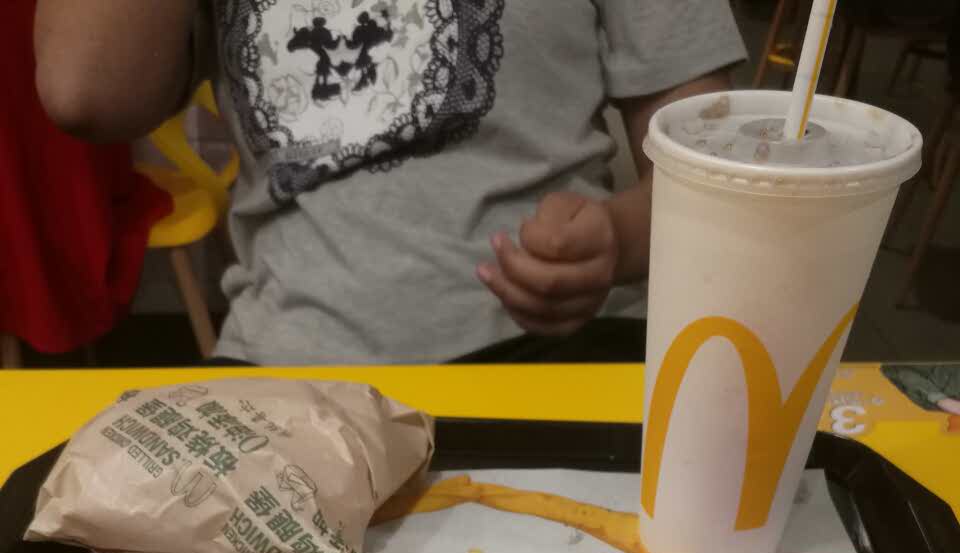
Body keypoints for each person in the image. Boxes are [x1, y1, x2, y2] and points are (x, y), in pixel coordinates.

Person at [34, 1, 746, 365]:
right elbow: (84, 91)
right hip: (288, 374)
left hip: (559, 363)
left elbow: (715, 176)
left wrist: (617, 239)